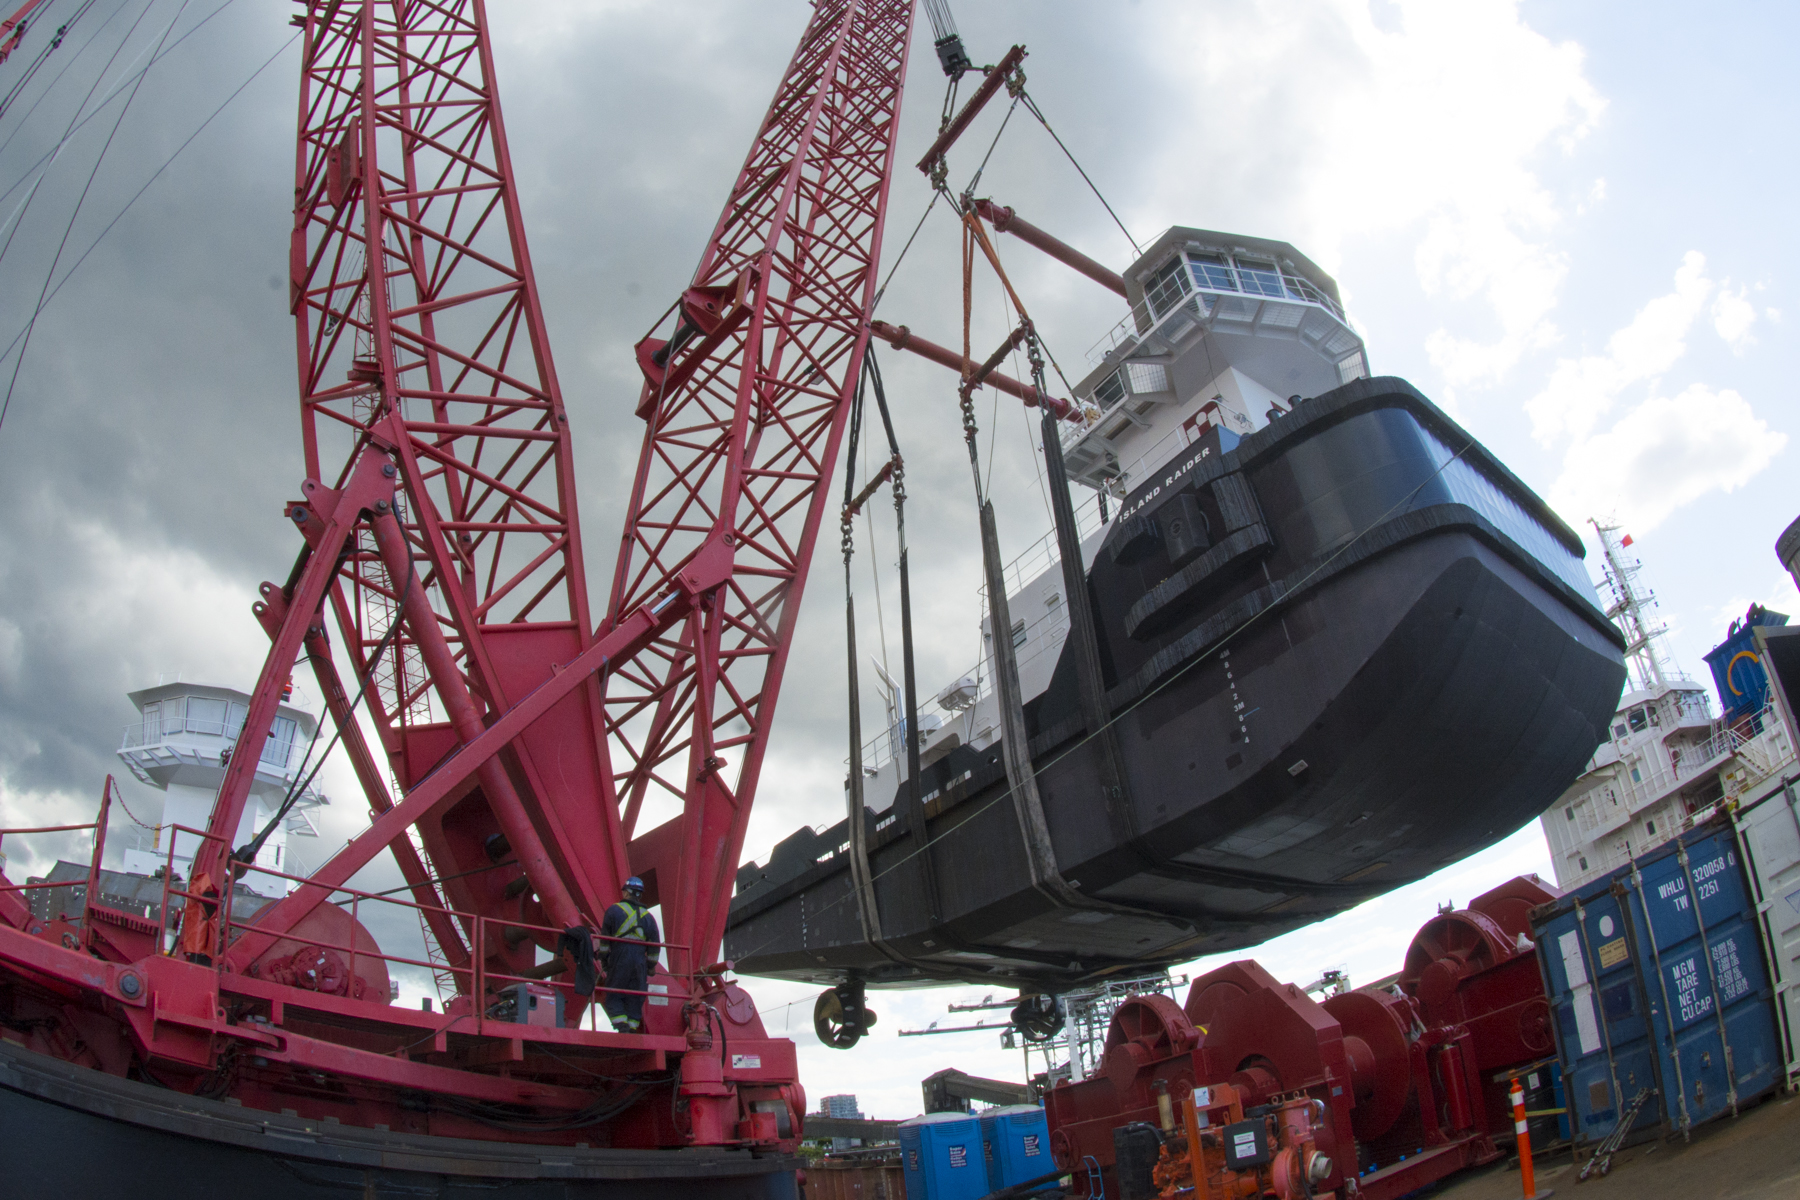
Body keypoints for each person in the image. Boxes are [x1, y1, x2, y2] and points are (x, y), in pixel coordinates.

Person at [599, 876, 660, 1033]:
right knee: (636, 996)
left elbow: (604, 943)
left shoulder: (614, 911)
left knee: (613, 993)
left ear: (626, 893)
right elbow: (654, 947)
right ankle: (632, 1028)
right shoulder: (649, 918)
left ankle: (622, 1026)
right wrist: (650, 966)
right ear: (640, 894)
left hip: (619, 959)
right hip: (639, 963)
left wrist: (604, 961)